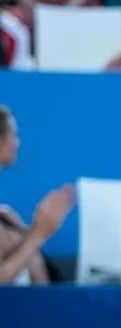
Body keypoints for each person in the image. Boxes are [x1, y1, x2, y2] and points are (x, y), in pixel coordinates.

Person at [0, 105, 75, 284]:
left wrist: (40, 229)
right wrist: (39, 234)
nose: (18, 142)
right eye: (13, 135)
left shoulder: (8, 217)